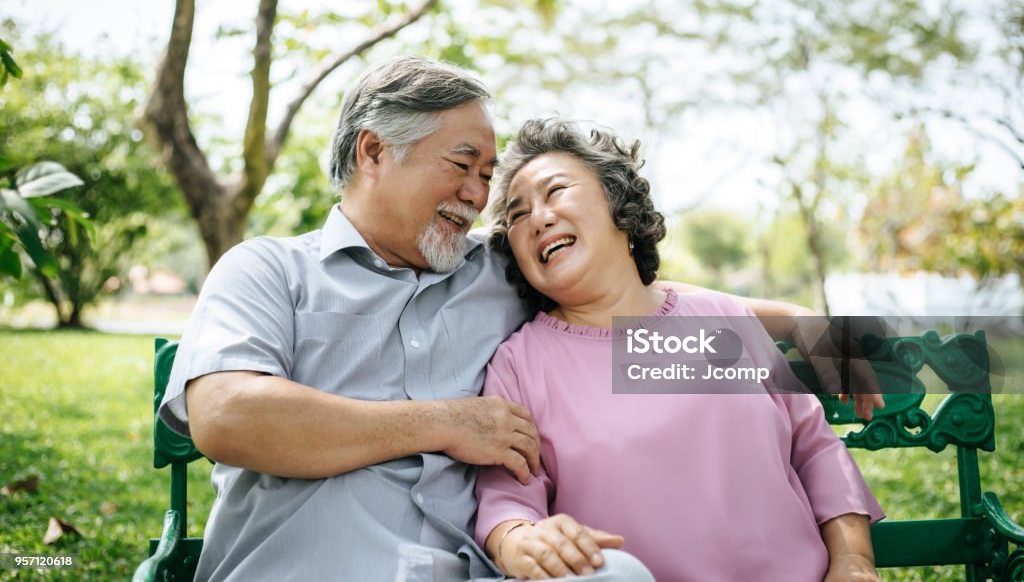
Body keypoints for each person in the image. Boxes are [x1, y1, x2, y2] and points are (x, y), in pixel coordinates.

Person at [158, 56, 866, 581]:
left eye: (487, 176)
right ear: (374, 151)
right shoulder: (267, 271)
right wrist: (445, 422)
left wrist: (810, 327)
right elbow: (227, 416)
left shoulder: (502, 276)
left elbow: (629, 297)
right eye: (463, 166)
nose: (478, 195)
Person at [475, 118, 885, 581]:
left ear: (618, 205)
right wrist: (518, 539)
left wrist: (854, 561)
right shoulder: (519, 365)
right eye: (517, 214)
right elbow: (508, 502)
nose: (538, 218)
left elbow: (816, 451)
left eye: (555, 192)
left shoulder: (721, 318)